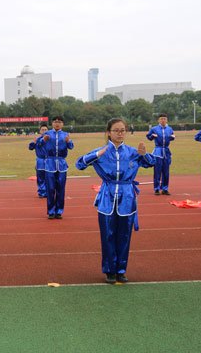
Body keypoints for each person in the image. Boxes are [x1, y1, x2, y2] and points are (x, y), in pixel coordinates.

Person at [76, 118, 155, 284]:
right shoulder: (101, 152)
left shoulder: (133, 152)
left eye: (123, 130)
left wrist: (144, 155)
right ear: (109, 133)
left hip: (127, 197)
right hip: (107, 197)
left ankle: (121, 270)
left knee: (124, 236)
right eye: (116, 130)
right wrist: (97, 154)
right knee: (108, 235)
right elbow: (79, 164)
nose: (120, 133)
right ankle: (109, 270)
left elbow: (152, 163)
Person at [36, 116, 73, 219]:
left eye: (59, 122)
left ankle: (59, 211)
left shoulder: (65, 135)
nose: (57, 124)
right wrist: (43, 140)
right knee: (50, 189)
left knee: (61, 189)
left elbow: (71, 146)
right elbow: (38, 144)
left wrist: (68, 142)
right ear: (52, 123)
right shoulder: (47, 134)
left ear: (62, 124)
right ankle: (51, 211)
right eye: (55, 122)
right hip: (50, 164)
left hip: (61, 164)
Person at [146, 113, 175, 195]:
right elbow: (148, 137)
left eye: (164, 119)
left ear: (167, 120)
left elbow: (171, 137)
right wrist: (152, 136)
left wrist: (172, 137)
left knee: (166, 171)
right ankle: (157, 188)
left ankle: (165, 188)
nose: (163, 120)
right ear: (158, 120)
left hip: (166, 151)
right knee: (157, 170)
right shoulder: (154, 129)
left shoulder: (169, 129)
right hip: (158, 151)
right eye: (161, 119)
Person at [28, 124, 49, 198]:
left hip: (49, 160)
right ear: (40, 131)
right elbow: (30, 147)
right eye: (42, 129)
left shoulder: (51, 140)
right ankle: (42, 192)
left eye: (45, 130)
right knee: (40, 177)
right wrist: (34, 143)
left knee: (50, 177)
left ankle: (49, 192)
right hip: (40, 160)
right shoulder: (37, 140)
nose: (44, 131)